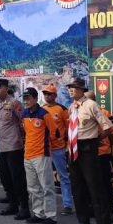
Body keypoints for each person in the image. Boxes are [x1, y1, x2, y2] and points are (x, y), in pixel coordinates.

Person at [66, 77, 113, 224]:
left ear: (81, 89)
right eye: (69, 87)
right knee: (77, 187)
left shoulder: (91, 105)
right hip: (73, 149)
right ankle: (83, 222)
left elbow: (108, 126)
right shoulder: (72, 107)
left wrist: (97, 139)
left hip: (88, 149)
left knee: (95, 188)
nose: (70, 90)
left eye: (73, 87)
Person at [21, 87, 58, 224]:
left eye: (29, 98)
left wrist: (48, 149)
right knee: (32, 187)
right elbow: (26, 133)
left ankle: (51, 216)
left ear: (36, 99)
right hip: (28, 155)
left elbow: (55, 133)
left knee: (47, 187)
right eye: (25, 98)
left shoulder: (44, 114)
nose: (26, 101)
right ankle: (38, 213)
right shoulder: (24, 114)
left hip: (42, 155)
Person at [0, 79, 30, 220]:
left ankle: (24, 207)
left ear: (6, 88)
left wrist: (22, 139)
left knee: (17, 178)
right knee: (4, 176)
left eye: (0, 87)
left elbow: (24, 121)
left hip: (14, 146)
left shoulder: (14, 103)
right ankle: (12, 204)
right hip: (2, 147)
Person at [86, 90, 113, 224]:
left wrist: (102, 138)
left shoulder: (104, 113)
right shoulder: (81, 111)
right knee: (90, 184)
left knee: (105, 184)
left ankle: (109, 212)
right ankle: (93, 210)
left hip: (103, 154)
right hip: (88, 154)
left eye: (87, 99)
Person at [41, 84, 73, 215]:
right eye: (45, 94)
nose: (47, 96)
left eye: (49, 94)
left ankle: (67, 205)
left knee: (63, 176)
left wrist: (63, 141)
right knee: (45, 178)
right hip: (44, 149)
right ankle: (48, 205)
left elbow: (69, 128)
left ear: (55, 95)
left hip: (58, 148)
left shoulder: (61, 109)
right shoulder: (41, 109)